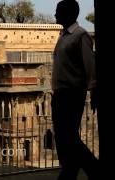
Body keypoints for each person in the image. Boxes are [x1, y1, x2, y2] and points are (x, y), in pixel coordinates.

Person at [52, 0, 98, 180]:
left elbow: (90, 66)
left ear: (69, 13)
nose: (55, 15)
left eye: (58, 11)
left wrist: (94, 89)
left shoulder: (80, 35)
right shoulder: (64, 35)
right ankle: (70, 170)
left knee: (69, 137)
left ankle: (92, 168)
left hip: (72, 94)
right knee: (63, 138)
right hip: (60, 94)